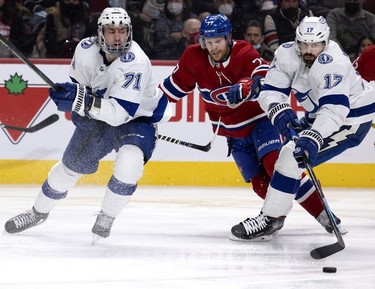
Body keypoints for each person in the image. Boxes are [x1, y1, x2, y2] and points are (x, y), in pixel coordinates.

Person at [160, 14, 345, 241]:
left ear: (228, 38)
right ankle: (273, 218)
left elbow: (263, 74)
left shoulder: (243, 51)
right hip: (232, 133)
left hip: (260, 122)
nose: (213, 47)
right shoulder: (193, 58)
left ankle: (325, 216)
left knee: (275, 166)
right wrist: (148, 113)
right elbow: (170, 91)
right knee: (259, 184)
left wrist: (248, 84)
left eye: (218, 41)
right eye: (208, 42)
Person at [4, 7, 172, 241]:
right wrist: (72, 95)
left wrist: (80, 101)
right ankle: (37, 212)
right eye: (111, 31)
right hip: (99, 115)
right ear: (100, 33)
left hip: (136, 119)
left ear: (129, 32)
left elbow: (118, 115)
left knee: (129, 163)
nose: (117, 36)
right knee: (68, 169)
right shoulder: (85, 49)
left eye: (122, 31)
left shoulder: (136, 62)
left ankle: (107, 215)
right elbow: (80, 88)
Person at [230, 16, 375, 240]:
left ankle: (271, 219)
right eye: (304, 44)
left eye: (315, 44)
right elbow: (270, 91)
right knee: (287, 157)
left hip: (351, 119)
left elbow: (334, 109)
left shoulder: (333, 62)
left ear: (325, 42)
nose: (308, 50)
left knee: (290, 157)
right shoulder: (287, 53)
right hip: (319, 114)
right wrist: (279, 111)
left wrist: (313, 136)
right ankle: (319, 217)